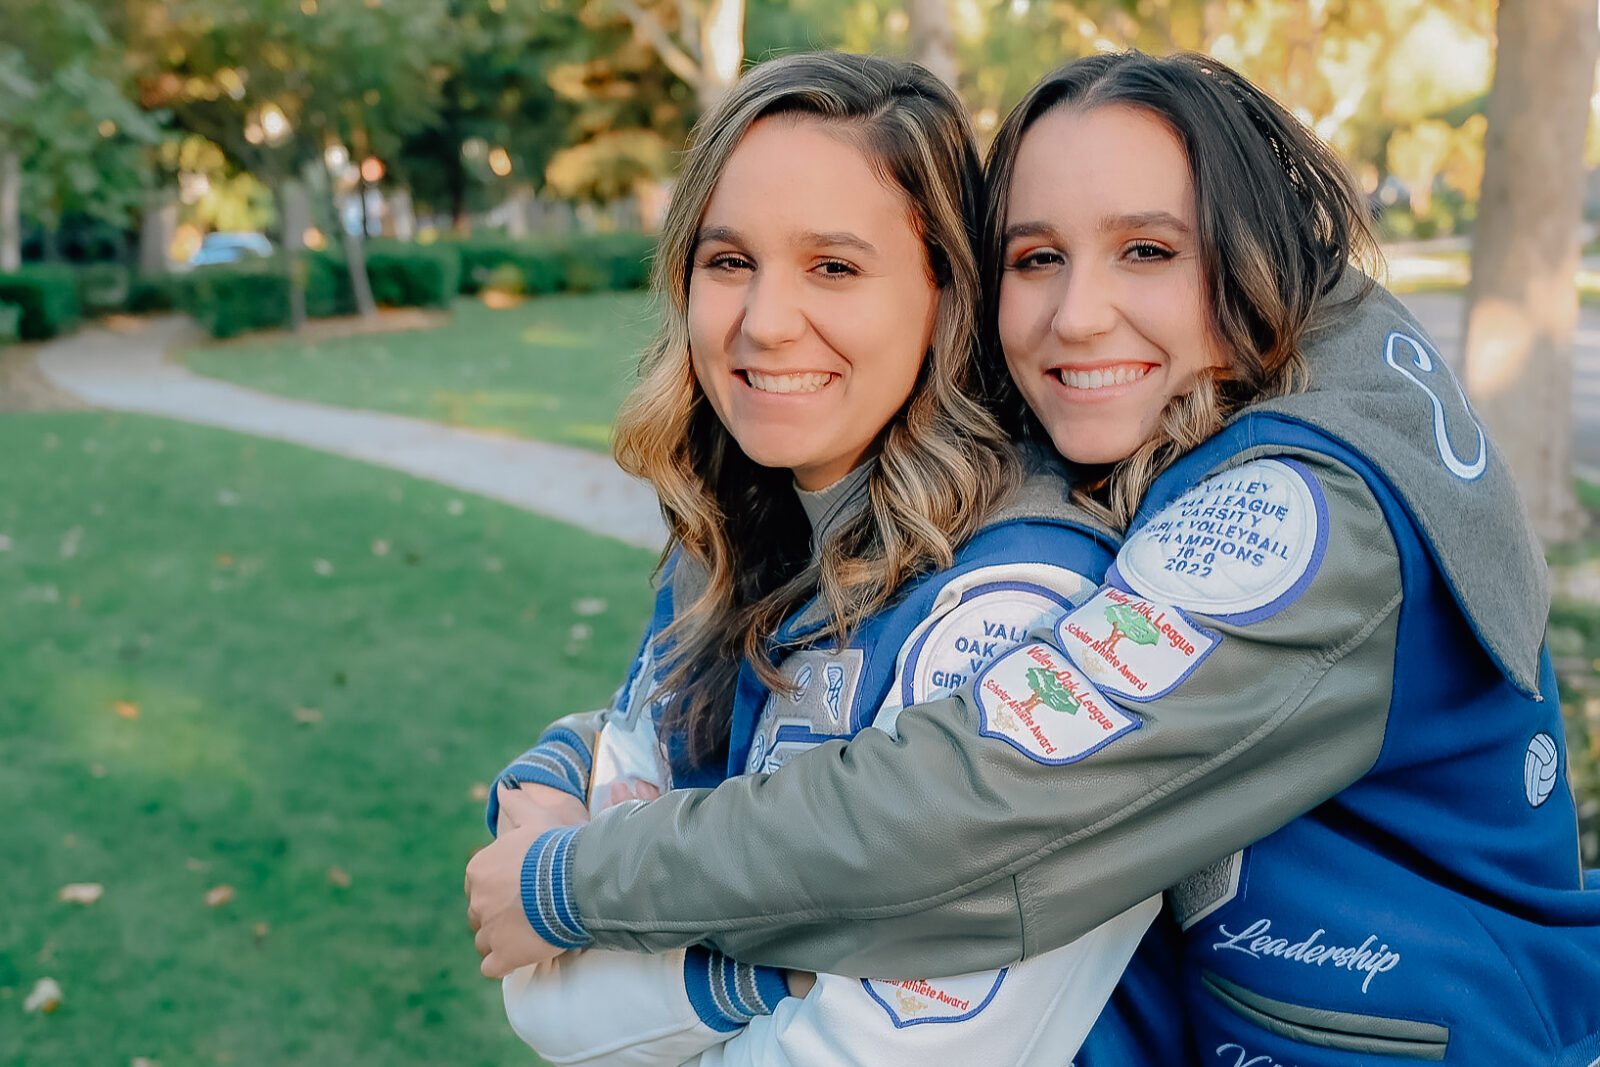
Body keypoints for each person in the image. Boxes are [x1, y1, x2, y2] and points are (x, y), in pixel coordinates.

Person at [470, 51, 1600, 1064]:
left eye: (1148, 248)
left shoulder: (1296, 515)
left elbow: (977, 815)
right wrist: (569, 763)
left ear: (1258, 257)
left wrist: (576, 883)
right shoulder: (1158, 430)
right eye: (1036, 255)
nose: (1074, 314)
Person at [466, 51, 1159, 1066]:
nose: (762, 321)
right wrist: (574, 770)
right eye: (728, 260)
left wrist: (599, 920)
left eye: (833, 266)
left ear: (946, 291)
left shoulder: (1022, 599)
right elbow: (539, 998)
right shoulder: (732, 535)